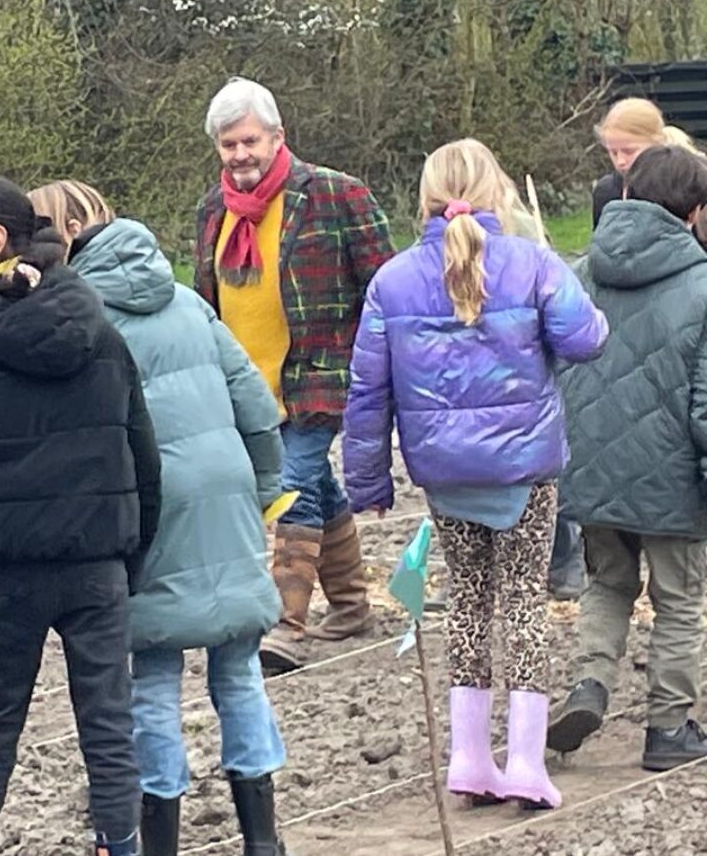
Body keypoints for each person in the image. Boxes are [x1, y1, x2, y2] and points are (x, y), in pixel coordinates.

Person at [344, 139, 608, 810]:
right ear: (498, 193)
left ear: (426, 196)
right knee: (522, 602)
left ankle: (467, 757)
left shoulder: (393, 280)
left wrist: (368, 482)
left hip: (443, 472)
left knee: (467, 600)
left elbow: (367, 393)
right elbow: (586, 340)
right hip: (526, 469)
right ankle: (524, 761)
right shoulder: (533, 263)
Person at [36, 179, 290, 855]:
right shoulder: (187, 300)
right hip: (225, 490)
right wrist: (261, 491)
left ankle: (160, 845)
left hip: (146, 509)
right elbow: (257, 409)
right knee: (238, 671)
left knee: (151, 681)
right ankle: (263, 840)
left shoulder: (74, 321)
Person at [0, 176, 160, 856]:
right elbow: (145, 461)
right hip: (98, 566)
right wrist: (126, 561)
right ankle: (120, 844)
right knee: (109, 729)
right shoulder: (104, 335)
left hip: (7, 572)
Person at [193, 77, 394, 675]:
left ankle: (286, 623)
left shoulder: (336, 195)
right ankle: (353, 603)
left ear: (278, 136)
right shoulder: (214, 209)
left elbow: (384, 286)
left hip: (321, 373)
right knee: (314, 485)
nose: (239, 155)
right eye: (228, 145)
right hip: (247, 384)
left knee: (291, 482)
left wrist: (378, 365)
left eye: (249, 141)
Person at [548, 146, 707, 772]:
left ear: (624, 194)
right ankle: (670, 727)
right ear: (695, 210)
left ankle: (589, 684)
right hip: (673, 483)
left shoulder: (580, 273)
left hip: (591, 469)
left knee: (607, 585)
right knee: (680, 601)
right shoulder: (703, 284)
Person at [591, 98, 699, 226]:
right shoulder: (607, 192)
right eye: (613, 152)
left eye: (629, 151)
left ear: (657, 144)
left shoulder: (691, 184)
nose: (620, 161)